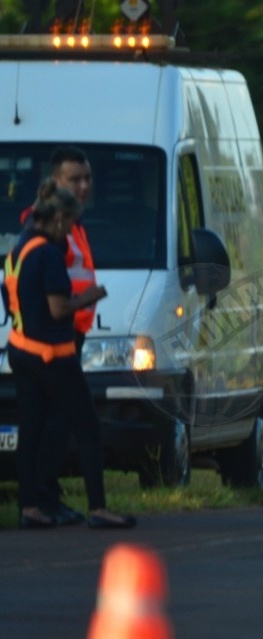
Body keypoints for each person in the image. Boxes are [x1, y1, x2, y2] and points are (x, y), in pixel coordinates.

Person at [6, 179, 135, 529]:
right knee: (88, 426)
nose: (70, 235)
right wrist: (90, 297)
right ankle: (99, 508)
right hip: (53, 354)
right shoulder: (48, 253)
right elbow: (59, 309)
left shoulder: (20, 248)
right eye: (71, 225)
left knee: (30, 429)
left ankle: (29, 506)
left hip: (21, 348)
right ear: (61, 218)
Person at [19, 146, 98, 524]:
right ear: (54, 184)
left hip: (69, 333)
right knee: (60, 420)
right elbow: (39, 286)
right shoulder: (52, 228)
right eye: (74, 179)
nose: (83, 186)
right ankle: (44, 499)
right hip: (52, 339)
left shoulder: (75, 225)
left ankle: (40, 500)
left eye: (87, 177)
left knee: (53, 420)